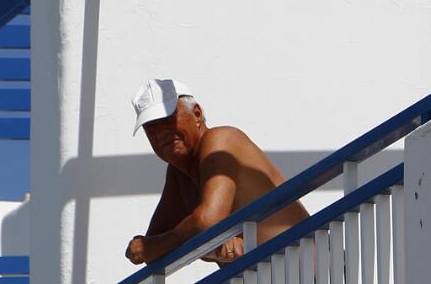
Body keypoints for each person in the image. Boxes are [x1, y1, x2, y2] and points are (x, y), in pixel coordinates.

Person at [123, 79, 308, 268]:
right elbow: (152, 250)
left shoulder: (220, 140)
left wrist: (205, 241)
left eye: (168, 120)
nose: (161, 133)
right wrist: (212, 249)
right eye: (151, 129)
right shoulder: (179, 174)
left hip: (312, 276)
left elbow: (207, 221)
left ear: (197, 114)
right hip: (273, 281)